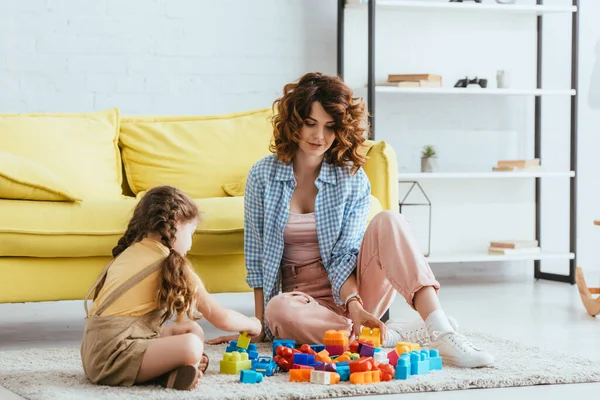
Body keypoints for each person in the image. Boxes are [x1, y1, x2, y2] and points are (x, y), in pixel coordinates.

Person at [210, 72, 494, 368]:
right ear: (294, 122)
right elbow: (257, 259)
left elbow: (345, 255)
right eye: (310, 123)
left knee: (389, 220)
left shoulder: (351, 178)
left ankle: (440, 329)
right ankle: (385, 336)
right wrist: (259, 327)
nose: (319, 136)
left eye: (329, 127)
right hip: (302, 302)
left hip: (353, 290)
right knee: (278, 309)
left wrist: (355, 307)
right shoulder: (262, 176)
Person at [80, 186, 262, 390]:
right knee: (191, 345)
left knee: (191, 329)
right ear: (175, 225)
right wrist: (252, 323)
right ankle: (165, 370)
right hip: (114, 357)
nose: (191, 243)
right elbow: (221, 318)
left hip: (94, 351)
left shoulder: (131, 252)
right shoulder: (169, 263)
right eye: (191, 233)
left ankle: (167, 373)